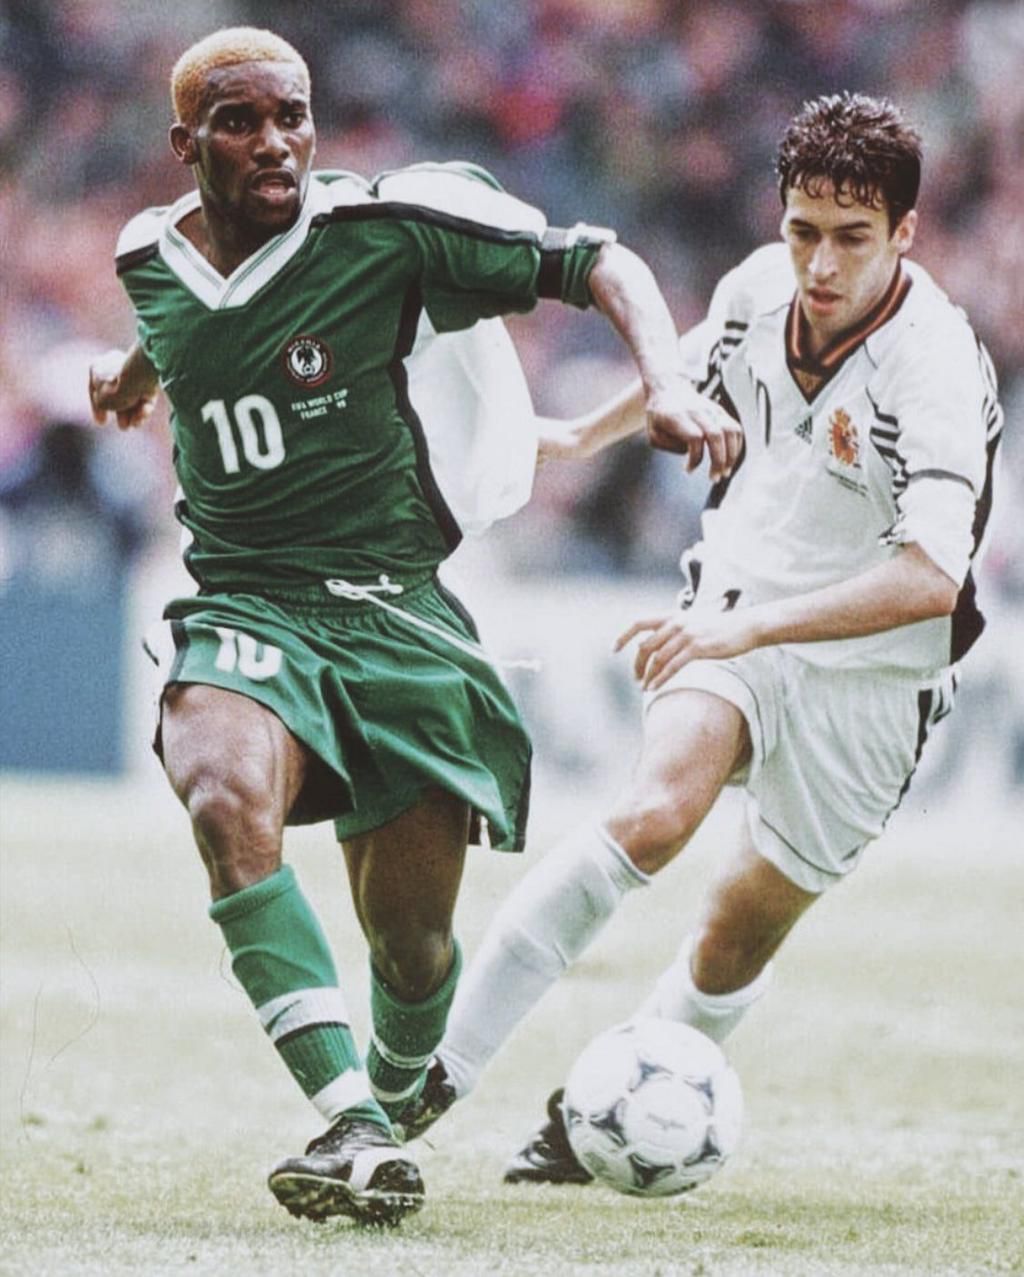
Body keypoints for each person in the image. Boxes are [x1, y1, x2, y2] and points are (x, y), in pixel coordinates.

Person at [86, 26, 739, 1225]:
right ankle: (346, 1116)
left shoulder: (381, 232)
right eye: (240, 121)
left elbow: (602, 259)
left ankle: (384, 1100)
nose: (274, 140)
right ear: (186, 146)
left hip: (396, 613)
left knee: (414, 953)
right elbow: (178, 321)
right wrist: (133, 381)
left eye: (293, 114)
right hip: (242, 597)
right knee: (225, 795)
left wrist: (664, 382)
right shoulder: (146, 254)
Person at [396, 92, 1005, 1186]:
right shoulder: (758, 286)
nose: (819, 265)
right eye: (802, 230)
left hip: (874, 675)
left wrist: (753, 626)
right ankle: (427, 1079)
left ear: (906, 234)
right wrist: (579, 436)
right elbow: (685, 372)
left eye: (851, 240)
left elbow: (931, 575)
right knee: (652, 813)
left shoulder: (937, 368)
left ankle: (590, 1120)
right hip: (740, 595)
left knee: (735, 930)